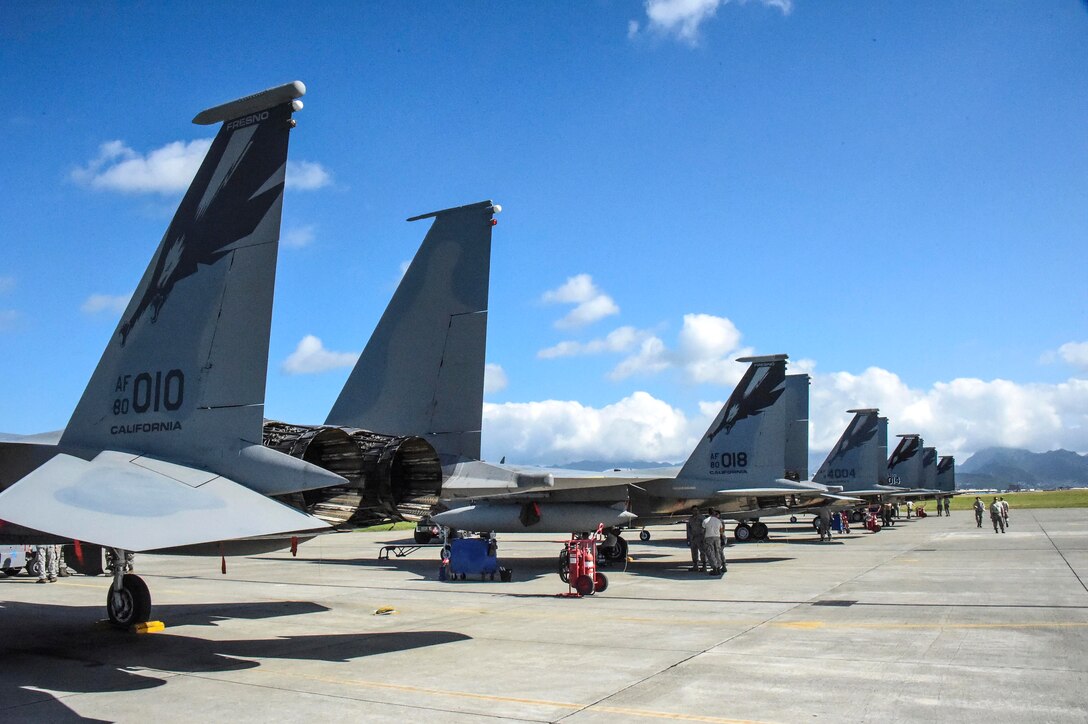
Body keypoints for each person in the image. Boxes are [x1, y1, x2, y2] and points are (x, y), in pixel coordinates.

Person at [702, 509, 726, 575]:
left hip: (708, 537)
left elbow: (703, 530)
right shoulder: (718, 521)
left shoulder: (705, 520)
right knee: (717, 552)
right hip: (717, 538)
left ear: (708, 513)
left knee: (710, 553)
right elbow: (721, 530)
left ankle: (714, 568)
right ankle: (718, 567)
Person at [685, 506, 706, 572]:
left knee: (702, 552)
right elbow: (689, 529)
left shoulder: (702, 518)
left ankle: (704, 566)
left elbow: (706, 527)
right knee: (694, 552)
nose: (695, 511)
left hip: (700, 537)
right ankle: (695, 566)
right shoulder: (690, 519)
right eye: (694, 510)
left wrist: (704, 537)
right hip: (693, 538)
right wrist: (688, 538)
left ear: (698, 511)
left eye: (696, 510)